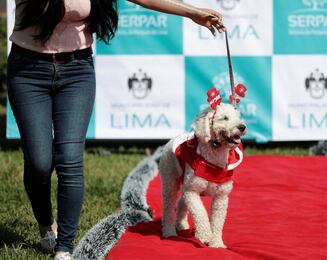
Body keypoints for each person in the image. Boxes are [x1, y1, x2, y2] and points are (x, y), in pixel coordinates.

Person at [7, 0, 225, 259]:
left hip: (76, 70)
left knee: (70, 160)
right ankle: (46, 223)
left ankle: (64, 247)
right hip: (28, 70)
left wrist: (193, 13)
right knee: (39, 163)